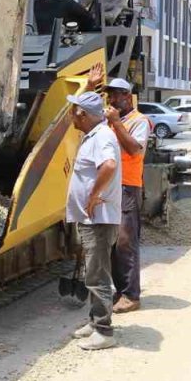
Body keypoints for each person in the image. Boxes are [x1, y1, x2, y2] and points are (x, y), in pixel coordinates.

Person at [64, 89, 122, 350]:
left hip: (99, 219)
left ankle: (104, 331)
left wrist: (93, 195)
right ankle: (94, 320)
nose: (71, 115)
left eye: (73, 111)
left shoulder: (102, 136)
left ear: (83, 114)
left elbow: (109, 165)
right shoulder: (93, 135)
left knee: (97, 275)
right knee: (93, 271)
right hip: (91, 219)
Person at [104, 78, 150, 312]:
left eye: (115, 95)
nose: (111, 100)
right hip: (110, 185)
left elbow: (134, 149)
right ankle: (121, 290)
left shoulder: (139, 121)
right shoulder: (112, 121)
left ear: (127, 96)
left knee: (125, 241)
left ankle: (131, 295)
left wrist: (115, 123)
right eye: (109, 95)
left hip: (127, 186)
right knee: (113, 241)